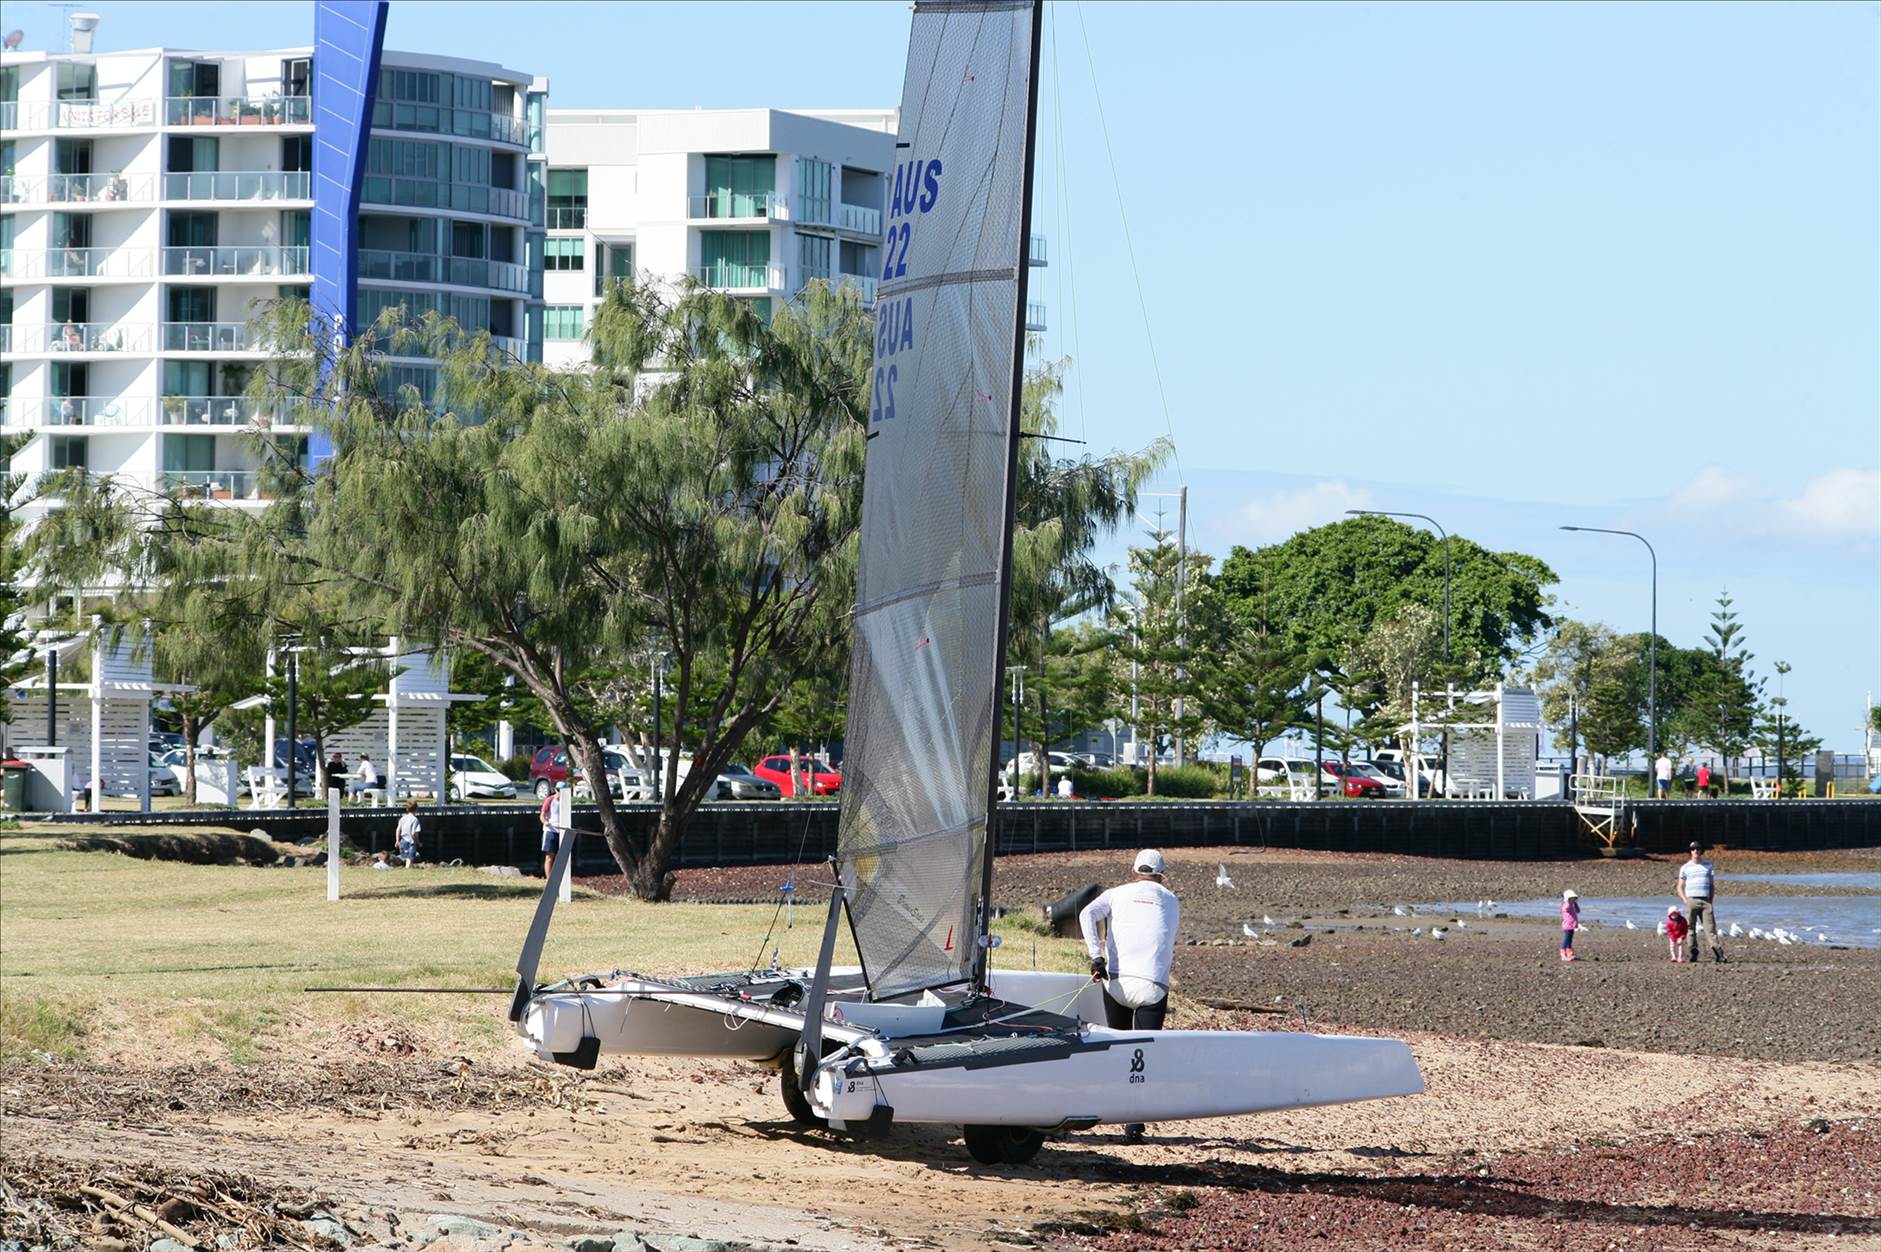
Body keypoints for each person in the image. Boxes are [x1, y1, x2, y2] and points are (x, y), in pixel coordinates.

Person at [1079, 848, 1180, 1144]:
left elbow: (1087, 913)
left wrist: (1096, 956)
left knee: (1121, 1047)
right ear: (1161, 876)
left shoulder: (1115, 893)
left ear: (1133, 872)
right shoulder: (1171, 900)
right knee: (1143, 1055)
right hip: (1152, 986)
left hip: (1117, 983)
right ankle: (1134, 1125)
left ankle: (1115, 1110)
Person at [1677, 842, 1726, 963]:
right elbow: (1679, 886)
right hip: (1691, 900)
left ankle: (1719, 954)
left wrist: (1710, 900)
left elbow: (1712, 885)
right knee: (1690, 928)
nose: (1695, 851)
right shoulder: (1685, 868)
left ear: (1701, 851)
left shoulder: (1708, 866)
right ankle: (1693, 951)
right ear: (1690, 852)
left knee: (1710, 928)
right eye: (1693, 849)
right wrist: (1685, 900)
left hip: (1706, 901)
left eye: (1698, 849)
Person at [540, 781, 567, 879]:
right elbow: (542, 815)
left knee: (562, 857)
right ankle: (548, 879)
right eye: (558, 790)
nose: (560, 792)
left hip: (563, 831)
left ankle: (559, 878)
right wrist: (545, 822)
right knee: (549, 856)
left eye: (562, 790)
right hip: (551, 831)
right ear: (556, 790)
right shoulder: (550, 800)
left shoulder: (566, 802)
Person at [395, 799, 421, 868]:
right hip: (411, 842)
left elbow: (398, 829)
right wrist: (418, 842)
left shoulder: (402, 818)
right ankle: (407, 869)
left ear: (407, 809)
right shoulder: (415, 820)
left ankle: (409, 869)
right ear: (416, 809)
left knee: (407, 858)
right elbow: (413, 833)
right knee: (410, 858)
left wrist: (397, 841)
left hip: (403, 840)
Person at [1559, 889, 1581, 962]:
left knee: (1569, 941)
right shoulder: (1566, 904)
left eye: (1574, 899)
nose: (1573, 900)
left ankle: (1569, 954)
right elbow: (1565, 909)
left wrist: (1575, 904)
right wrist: (1568, 902)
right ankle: (1563, 954)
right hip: (1567, 926)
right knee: (1566, 940)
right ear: (1568, 899)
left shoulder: (1572, 905)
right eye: (1571, 898)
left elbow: (1578, 911)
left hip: (1572, 925)